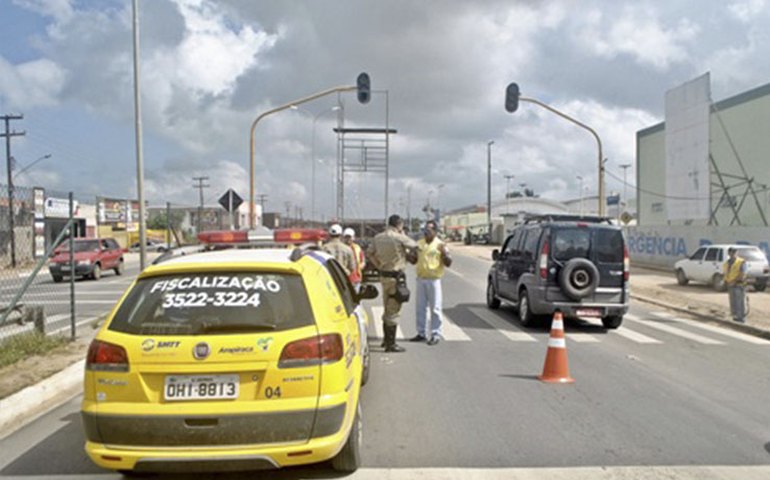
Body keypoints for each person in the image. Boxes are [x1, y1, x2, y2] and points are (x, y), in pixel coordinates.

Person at [367, 214, 417, 352]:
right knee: (394, 310)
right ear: (399, 225)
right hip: (396, 277)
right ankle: (391, 344)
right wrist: (403, 234)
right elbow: (415, 246)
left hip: (384, 276)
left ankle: (385, 340)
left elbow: (369, 253)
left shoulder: (378, 237)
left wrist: (378, 265)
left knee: (387, 306)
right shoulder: (398, 236)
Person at [410, 220, 452, 346]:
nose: (426, 232)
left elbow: (449, 263)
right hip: (421, 279)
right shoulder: (419, 244)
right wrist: (409, 255)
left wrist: (444, 253)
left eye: (429, 230)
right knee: (420, 308)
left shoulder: (440, 244)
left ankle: (435, 334)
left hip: (434, 280)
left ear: (435, 231)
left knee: (435, 308)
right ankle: (421, 333)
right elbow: (414, 260)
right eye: (425, 230)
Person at [724, 247, 748, 323]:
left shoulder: (741, 262)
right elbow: (726, 274)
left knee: (740, 302)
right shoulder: (726, 263)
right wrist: (727, 282)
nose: (733, 254)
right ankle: (735, 317)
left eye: (734, 252)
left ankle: (741, 318)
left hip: (739, 285)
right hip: (730, 285)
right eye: (731, 252)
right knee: (733, 302)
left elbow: (742, 274)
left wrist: (734, 281)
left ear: (736, 253)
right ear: (729, 253)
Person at [343, 227, 365, 292]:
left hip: (355, 279)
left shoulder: (357, 248)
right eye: (346, 237)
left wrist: (359, 267)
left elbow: (362, 261)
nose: (348, 239)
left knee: (356, 299)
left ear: (353, 237)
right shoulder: (341, 248)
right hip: (343, 279)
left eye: (349, 237)